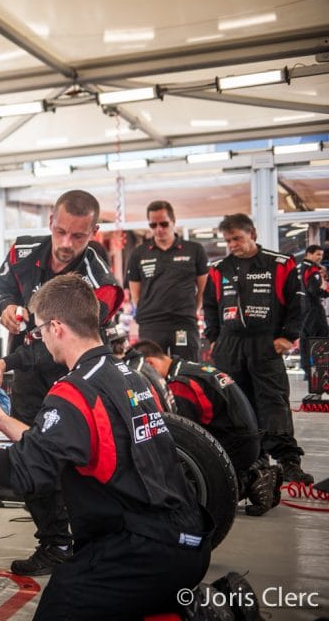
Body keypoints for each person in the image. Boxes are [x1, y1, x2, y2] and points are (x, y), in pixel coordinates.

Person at [0, 274, 211, 621]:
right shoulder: (126, 374)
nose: (39, 340)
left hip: (141, 550)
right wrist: (3, 422)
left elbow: (19, 471)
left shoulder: (74, 390)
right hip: (187, 537)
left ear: (57, 327)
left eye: (38, 331)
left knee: (59, 605)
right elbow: (62, 445)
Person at [0, 189, 123, 576]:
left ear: (94, 232)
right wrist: (6, 308)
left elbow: (63, 347)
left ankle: (89, 539)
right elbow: (2, 289)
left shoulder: (100, 284)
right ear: (51, 221)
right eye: (61, 231)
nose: (66, 244)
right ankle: (55, 543)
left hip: (77, 378)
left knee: (77, 464)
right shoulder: (22, 251)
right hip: (29, 376)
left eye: (78, 236)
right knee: (29, 455)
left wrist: (6, 360)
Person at [202, 214, 313, 485]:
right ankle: (254, 457)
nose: (232, 245)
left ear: (252, 233)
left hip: (265, 342)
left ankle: (288, 462)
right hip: (229, 345)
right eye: (228, 241)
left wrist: (288, 337)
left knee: (273, 402)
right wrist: (214, 338)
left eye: (237, 238)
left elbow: (297, 303)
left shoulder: (280, 264)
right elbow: (209, 307)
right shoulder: (219, 268)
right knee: (238, 404)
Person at [129, 339, 280, 516]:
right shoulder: (193, 368)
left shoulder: (180, 384)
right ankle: (252, 472)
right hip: (247, 440)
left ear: (149, 363)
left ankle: (251, 480)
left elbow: (183, 438)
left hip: (235, 448)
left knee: (177, 486)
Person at [126, 200, 209, 360]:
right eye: (153, 225)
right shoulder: (139, 253)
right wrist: (145, 311)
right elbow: (135, 292)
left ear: (173, 221)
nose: (159, 229)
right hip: (151, 324)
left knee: (187, 370)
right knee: (151, 372)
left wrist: (193, 310)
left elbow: (203, 289)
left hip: (184, 321)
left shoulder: (194, 250)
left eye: (164, 224)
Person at [298, 244, 329, 388]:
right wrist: (326, 291)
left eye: (321, 255)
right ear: (309, 254)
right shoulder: (311, 269)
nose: (320, 257)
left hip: (303, 310)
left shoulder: (300, 267)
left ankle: (307, 371)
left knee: (306, 340)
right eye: (317, 254)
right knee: (321, 339)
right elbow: (314, 290)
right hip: (314, 310)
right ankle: (321, 372)